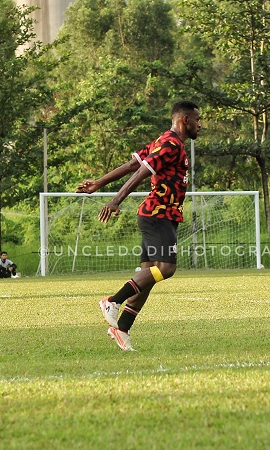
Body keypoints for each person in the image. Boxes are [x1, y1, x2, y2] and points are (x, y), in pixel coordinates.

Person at [76, 100, 202, 351]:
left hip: (160, 215)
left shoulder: (162, 140)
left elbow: (132, 165)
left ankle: (121, 329)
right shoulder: (171, 144)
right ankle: (112, 301)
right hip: (158, 214)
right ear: (185, 120)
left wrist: (99, 183)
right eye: (198, 120)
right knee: (166, 269)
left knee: (148, 278)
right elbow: (140, 172)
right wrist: (115, 200)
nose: (201, 125)